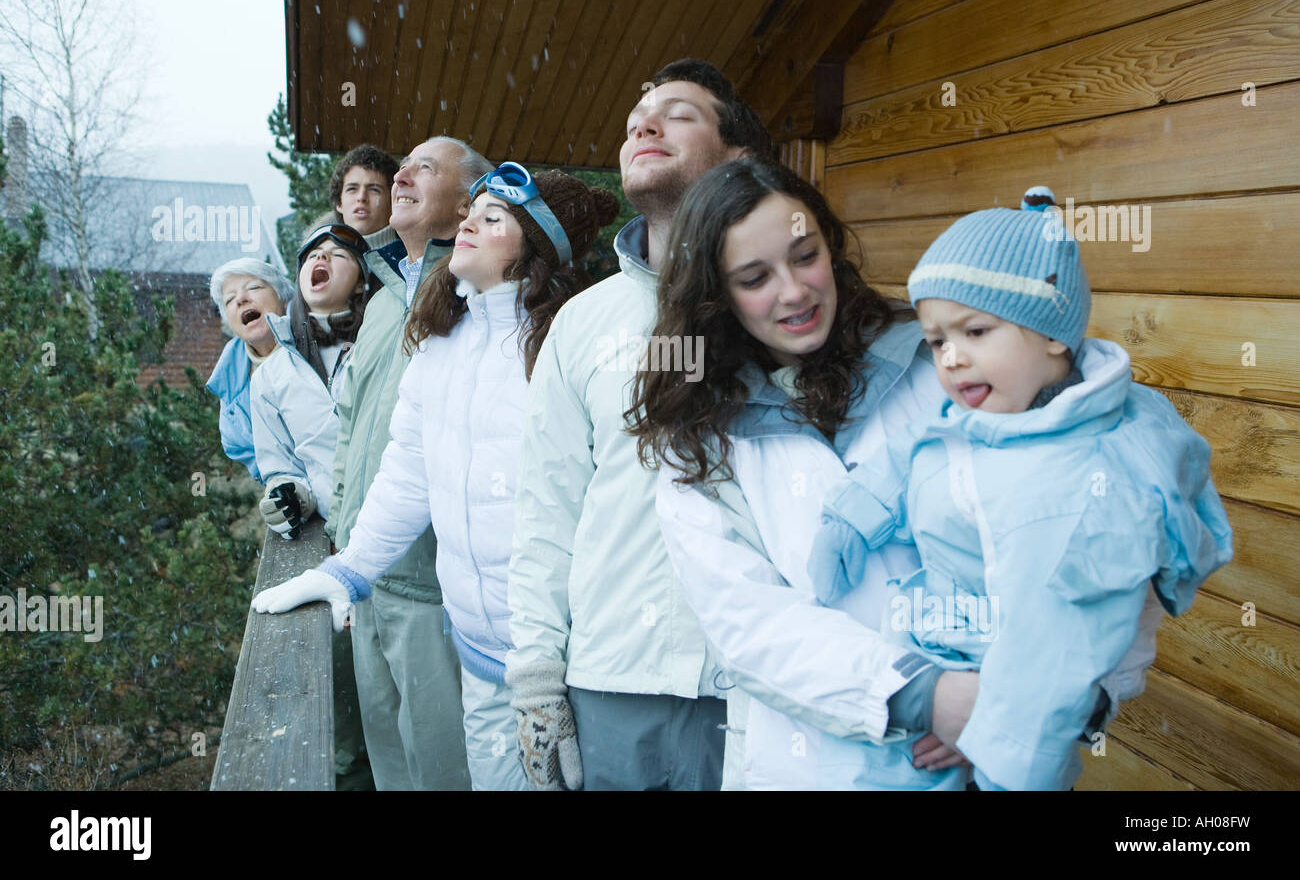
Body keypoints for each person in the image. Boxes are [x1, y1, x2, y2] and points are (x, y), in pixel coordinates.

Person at [804, 186, 1233, 790]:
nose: (950, 358)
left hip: (1016, 704)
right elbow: (924, 444)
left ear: (1052, 333)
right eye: (936, 340)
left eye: (975, 331)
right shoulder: (1002, 410)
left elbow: (1064, 646)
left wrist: (997, 743)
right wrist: (853, 514)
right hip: (944, 661)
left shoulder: (1089, 478)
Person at [254, 165, 619, 790]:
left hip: (567, 665)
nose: (468, 224)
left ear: (536, 246)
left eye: (492, 218)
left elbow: (590, 510)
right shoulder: (441, 338)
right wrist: (347, 569)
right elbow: (407, 472)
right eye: (470, 213)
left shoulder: (570, 340)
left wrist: (547, 669)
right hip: (479, 656)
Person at [627, 157, 977, 789]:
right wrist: (925, 696)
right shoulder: (701, 438)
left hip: (988, 747)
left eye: (804, 255)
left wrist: (1008, 694)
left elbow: (1036, 519)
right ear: (716, 296)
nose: (794, 291)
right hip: (811, 765)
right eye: (755, 277)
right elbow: (747, 620)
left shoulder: (937, 364)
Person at [504, 58, 773, 791]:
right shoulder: (582, 323)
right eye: (633, 122)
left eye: (678, 113)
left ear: (740, 158)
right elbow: (544, 509)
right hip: (610, 686)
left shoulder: (790, 309)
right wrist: (535, 676)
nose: (643, 126)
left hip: (762, 689)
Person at [320, 136, 492, 791]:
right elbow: (350, 425)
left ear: (470, 197)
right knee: (389, 764)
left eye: (425, 167)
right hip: (369, 575)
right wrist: (343, 533)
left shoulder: (483, 290)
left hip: (435, 587)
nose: (401, 177)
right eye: (403, 166)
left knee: (444, 771)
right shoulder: (385, 295)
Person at [249, 221, 371, 538]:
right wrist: (289, 499)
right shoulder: (270, 377)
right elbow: (282, 468)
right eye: (313, 255)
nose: (321, 260)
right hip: (336, 540)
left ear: (361, 283)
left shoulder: (384, 344)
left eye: (338, 255)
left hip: (401, 529)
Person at [205, 258, 295, 482]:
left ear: (283, 298)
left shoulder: (320, 343)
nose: (241, 300)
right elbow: (256, 460)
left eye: (254, 288)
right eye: (229, 300)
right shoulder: (230, 389)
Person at [329, 144, 399, 239]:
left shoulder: (417, 252)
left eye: (374, 190)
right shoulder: (318, 252)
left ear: (393, 202)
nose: (361, 197)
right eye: (352, 189)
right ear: (339, 203)